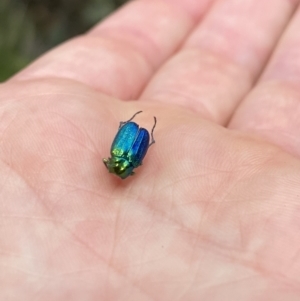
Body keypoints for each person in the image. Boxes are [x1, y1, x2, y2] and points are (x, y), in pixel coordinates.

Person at [1, 0, 300, 299]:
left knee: (137, 134)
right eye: (118, 170)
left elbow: (125, 146)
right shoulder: (125, 161)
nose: (117, 171)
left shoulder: (123, 160)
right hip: (134, 136)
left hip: (132, 136)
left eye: (117, 170)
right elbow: (127, 147)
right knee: (138, 135)